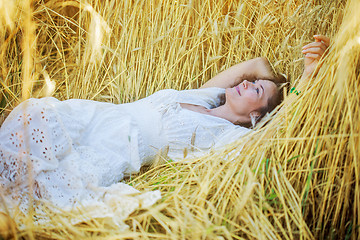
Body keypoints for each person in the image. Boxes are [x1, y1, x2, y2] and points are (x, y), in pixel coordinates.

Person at [0, 35, 329, 226]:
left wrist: (305, 78)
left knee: (39, 187)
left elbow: (278, 132)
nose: (247, 82)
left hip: (115, 148)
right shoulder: (206, 97)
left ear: (256, 118)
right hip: (95, 115)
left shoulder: (230, 136)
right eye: (251, 83)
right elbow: (254, 63)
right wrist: (271, 84)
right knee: (34, 114)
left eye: (255, 90)